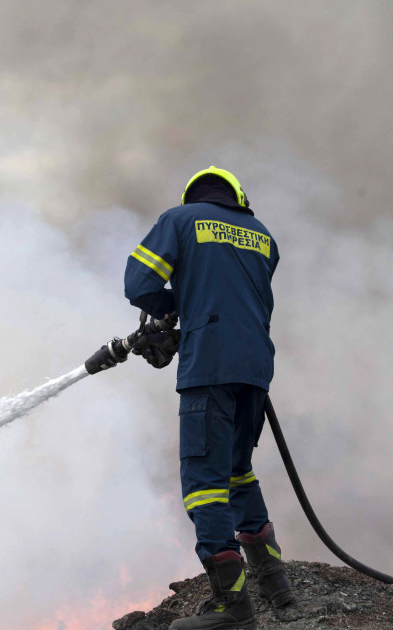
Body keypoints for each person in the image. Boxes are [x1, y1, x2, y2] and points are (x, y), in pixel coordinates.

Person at [123, 167, 294, 629]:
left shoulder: (180, 220)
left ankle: (231, 605)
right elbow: (239, 293)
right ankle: (276, 585)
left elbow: (139, 284)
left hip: (210, 364)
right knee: (238, 470)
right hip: (256, 367)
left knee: (205, 482)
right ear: (237, 197)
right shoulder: (262, 235)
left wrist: (173, 308)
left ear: (193, 197)